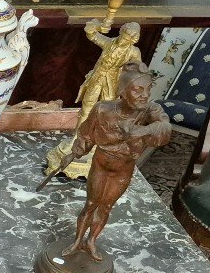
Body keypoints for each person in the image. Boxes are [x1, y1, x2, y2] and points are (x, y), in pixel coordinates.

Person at [58, 62, 171, 261]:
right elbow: (86, 136)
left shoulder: (150, 111)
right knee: (91, 203)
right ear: (123, 92)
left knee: (106, 207)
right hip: (101, 165)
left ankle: (91, 241)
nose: (144, 95)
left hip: (123, 169)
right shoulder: (103, 109)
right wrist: (74, 153)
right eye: (138, 90)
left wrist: (140, 131)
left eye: (148, 89)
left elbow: (165, 128)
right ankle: (76, 241)